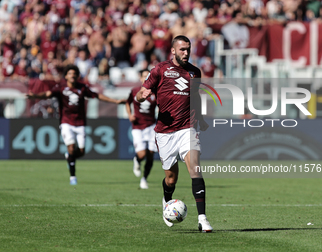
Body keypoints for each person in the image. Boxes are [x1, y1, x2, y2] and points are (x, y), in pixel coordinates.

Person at [136, 35, 213, 232]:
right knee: (171, 179)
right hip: (165, 132)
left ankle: (203, 218)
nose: (186, 53)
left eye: (188, 49)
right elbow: (140, 94)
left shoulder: (195, 72)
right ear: (173, 50)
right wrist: (141, 96)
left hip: (188, 127)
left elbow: (194, 97)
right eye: (182, 50)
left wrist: (201, 119)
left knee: (195, 169)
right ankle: (167, 200)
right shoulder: (160, 69)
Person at [27, 64, 125, 185]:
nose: (72, 76)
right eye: (70, 74)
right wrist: (35, 96)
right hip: (66, 122)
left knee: (82, 151)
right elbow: (47, 94)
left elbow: (97, 96)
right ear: (66, 76)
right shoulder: (61, 88)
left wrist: (115, 101)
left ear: (77, 76)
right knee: (72, 147)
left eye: (74, 74)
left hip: (80, 123)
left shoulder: (82, 88)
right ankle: (73, 177)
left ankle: (69, 157)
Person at [126, 69, 157, 189]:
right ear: (140, 78)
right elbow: (127, 103)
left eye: (148, 76)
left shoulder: (155, 92)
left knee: (150, 155)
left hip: (151, 126)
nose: (146, 79)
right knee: (142, 153)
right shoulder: (134, 91)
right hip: (138, 126)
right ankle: (137, 160)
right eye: (144, 76)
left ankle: (144, 179)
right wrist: (129, 115)